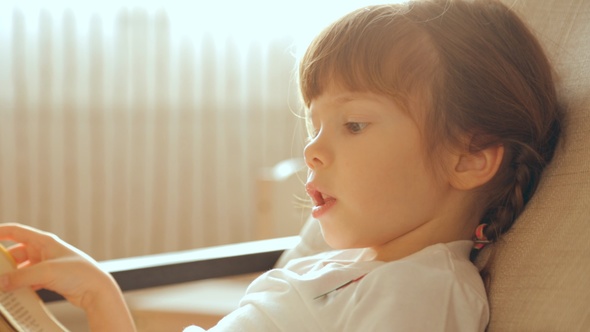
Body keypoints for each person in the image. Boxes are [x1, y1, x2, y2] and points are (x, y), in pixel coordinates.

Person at [0, 0, 563, 331]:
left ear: (468, 158)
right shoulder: (341, 272)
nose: (311, 150)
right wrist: (100, 295)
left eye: (354, 125)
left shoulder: (421, 292)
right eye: (313, 125)